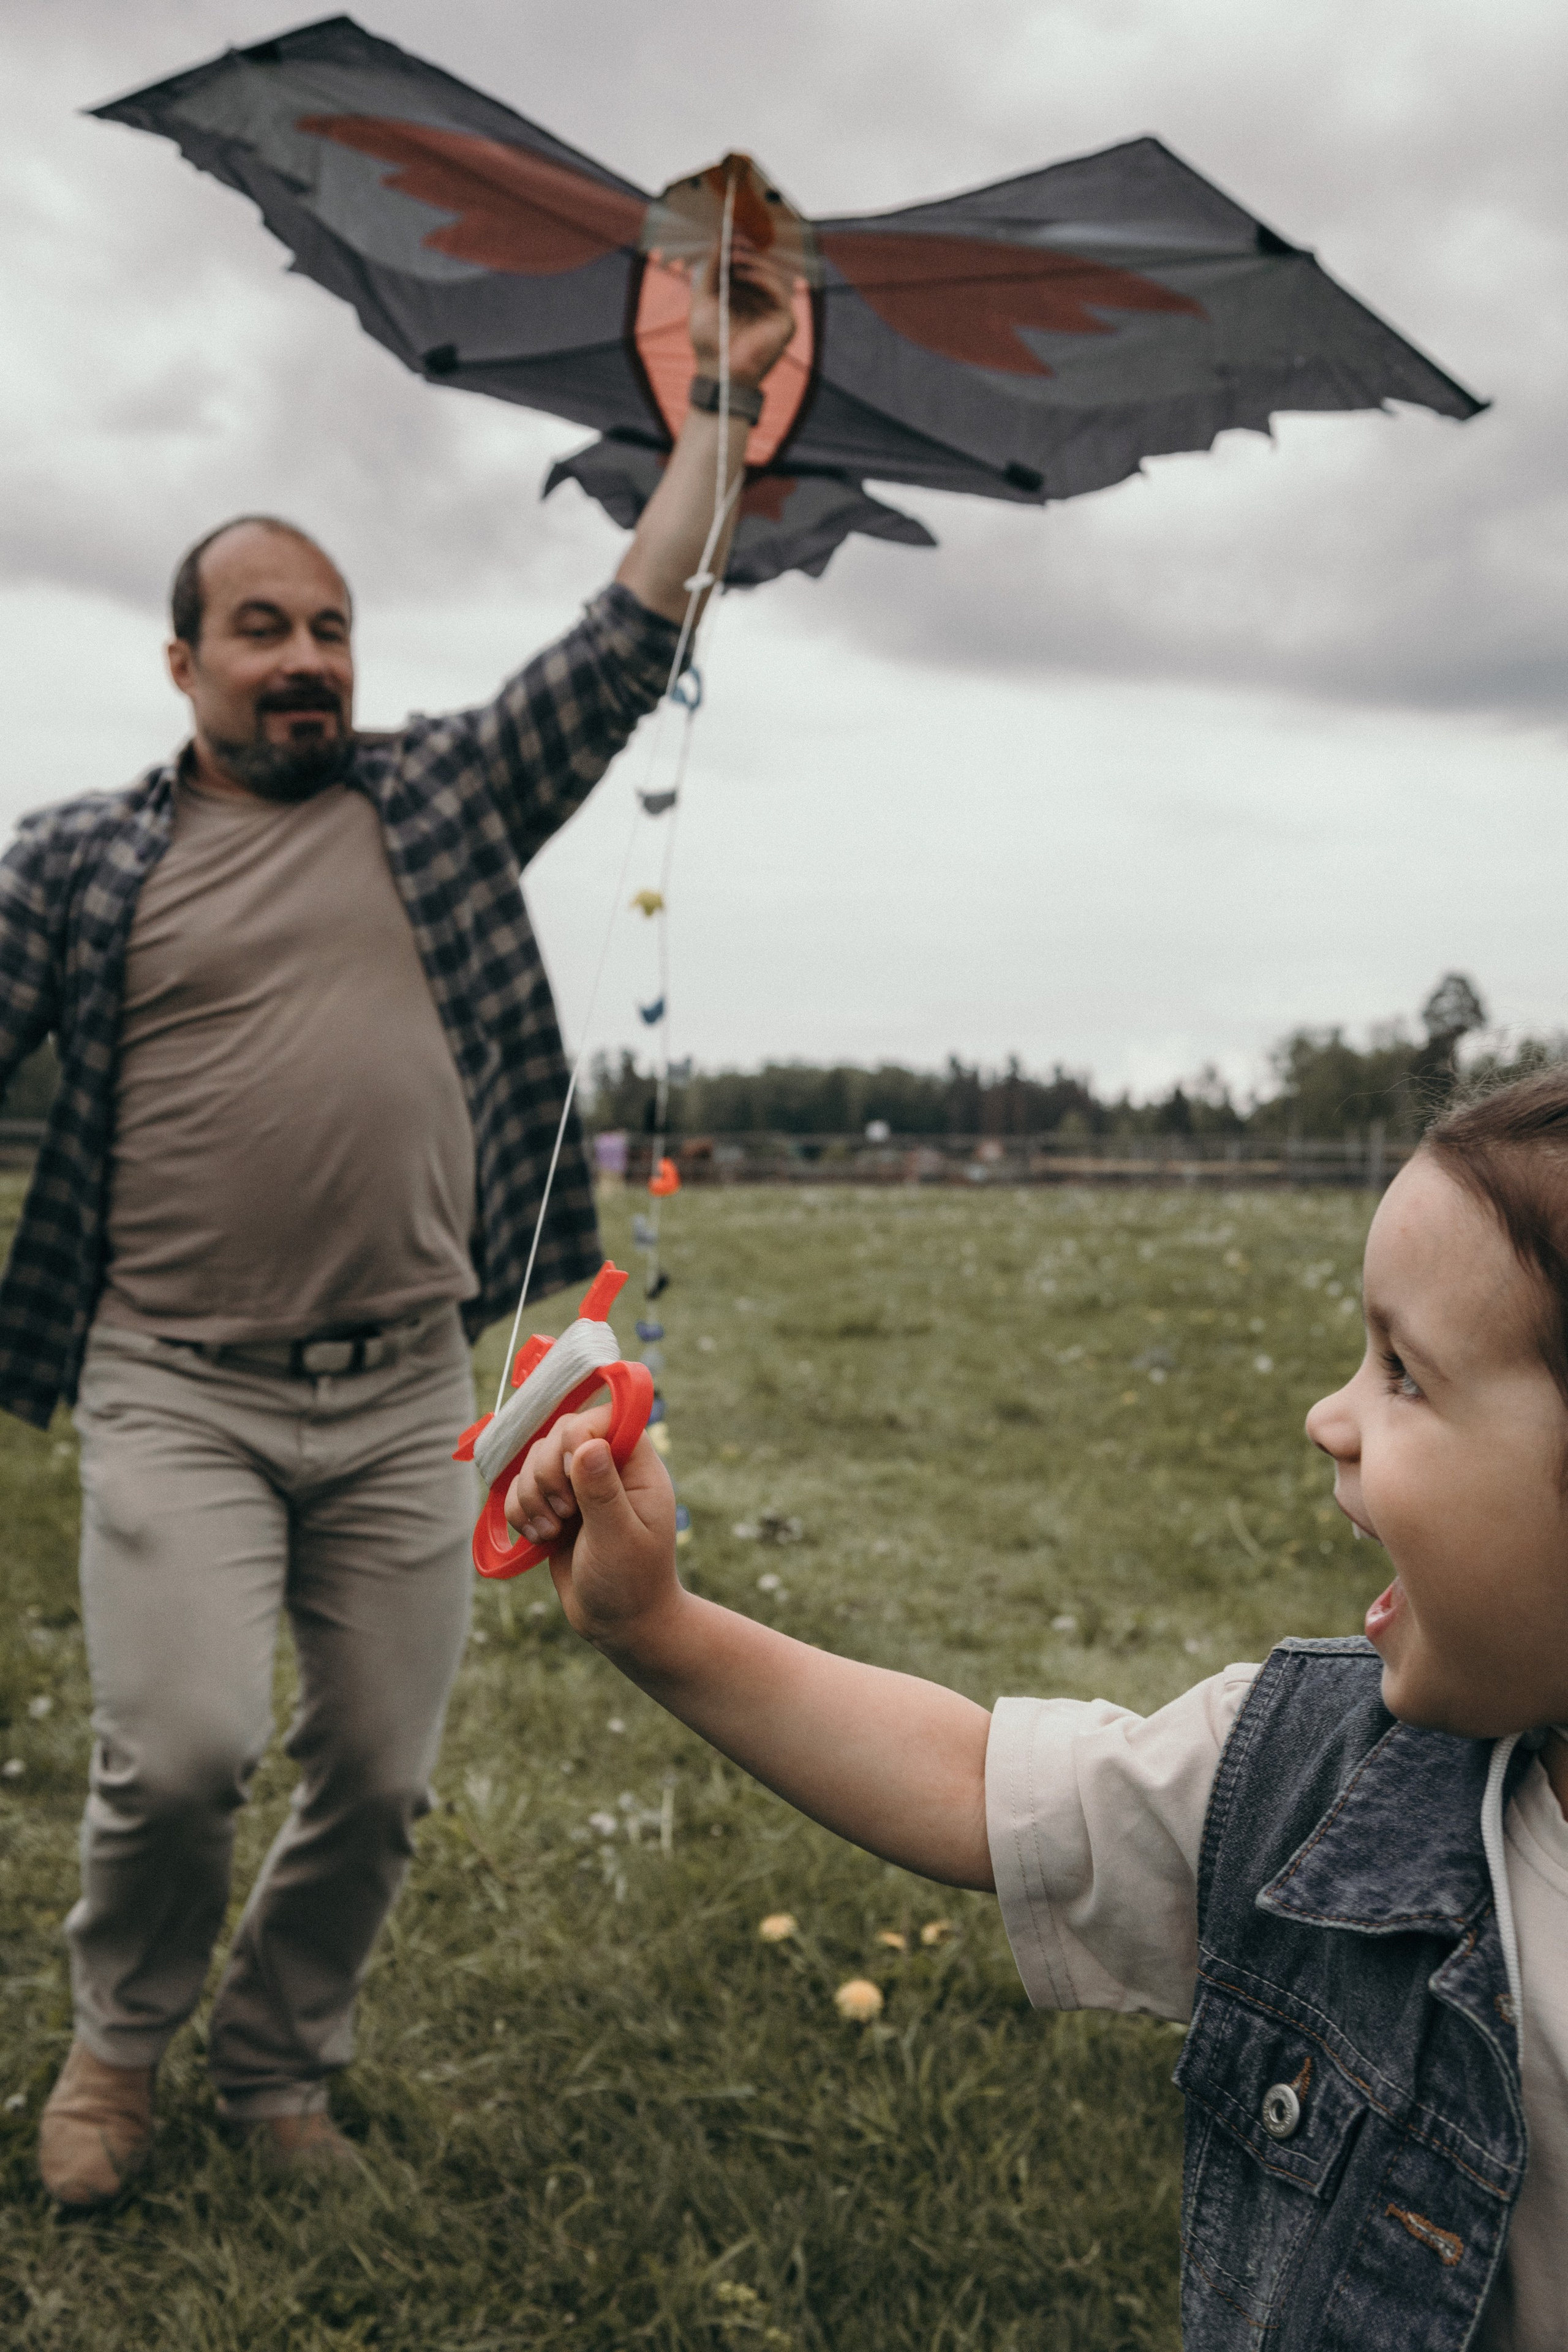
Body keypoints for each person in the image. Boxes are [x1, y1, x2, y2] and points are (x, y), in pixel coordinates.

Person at [5, 240, 796, 2208]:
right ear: (182, 664)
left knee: (376, 1770)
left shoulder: (440, 798)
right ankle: (116, 2053)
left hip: (400, 1402)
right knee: (180, 1754)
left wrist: (719, 401)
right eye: (260, 628)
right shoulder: (80, 862)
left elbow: (625, 634)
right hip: (176, 1387)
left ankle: (280, 2073)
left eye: (333, 629)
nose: (306, 659)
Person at [506, 1069, 1568, 2351]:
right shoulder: (1317, 1778)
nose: (1324, 1416)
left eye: (1403, 1374)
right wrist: (655, 1624)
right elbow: (974, 1785)